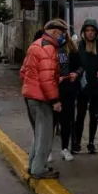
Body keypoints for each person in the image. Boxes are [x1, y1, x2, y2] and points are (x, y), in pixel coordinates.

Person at [20, 20, 66, 179]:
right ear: (54, 32)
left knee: (38, 133)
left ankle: (33, 165)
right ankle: (39, 168)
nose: (63, 37)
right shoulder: (49, 48)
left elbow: (23, 72)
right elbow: (46, 78)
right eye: (61, 34)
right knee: (45, 135)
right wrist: (55, 100)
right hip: (42, 98)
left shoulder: (35, 45)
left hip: (30, 95)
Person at [73, 18, 98, 154]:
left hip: (97, 87)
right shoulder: (79, 46)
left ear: (96, 32)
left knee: (94, 116)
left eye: (92, 30)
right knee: (80, 115)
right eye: (87, 30)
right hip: (83, 87)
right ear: (83, 32)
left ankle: (91, 142)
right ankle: (76, 142)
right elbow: (75, 64)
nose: (89, 33)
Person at [56, 25, 82, 161]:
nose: (61, 36)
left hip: (68, 89)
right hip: (53, 90)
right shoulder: (49, 48)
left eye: (63, 33)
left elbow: (80, 66)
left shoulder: (72, 49)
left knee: (67, 120)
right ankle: (46, 150)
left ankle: (65, 148)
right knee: (52, 120)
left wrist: (76, 74)